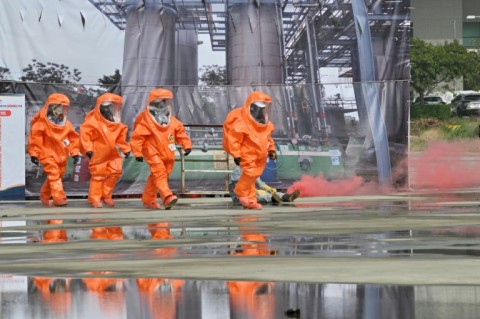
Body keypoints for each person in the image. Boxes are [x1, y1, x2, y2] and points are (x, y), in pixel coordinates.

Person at [130, 88, 192, 210]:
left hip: (168, 151)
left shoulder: (172, 121)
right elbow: (137, 137)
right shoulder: (146, 122)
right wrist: (137, 152)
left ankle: (148, 199)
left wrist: (187, 145)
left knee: (158, 176)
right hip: (151, 150)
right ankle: (167, 196)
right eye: (159, 103)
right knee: (159, 173)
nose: (162, 105)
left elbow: (180, 133)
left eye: (165, 102)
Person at [223, 91, 277, 209]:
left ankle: (251, 201)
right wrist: (236, 154)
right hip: (247, 152)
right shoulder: (241, 124)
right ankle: (241, 190)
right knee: (250, 172)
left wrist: (272, 150)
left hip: (261, 154)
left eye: (265, 108)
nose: (262, 111)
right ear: (252, 108)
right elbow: (234, 140)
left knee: (254, 176)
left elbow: (268, 139)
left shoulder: (266, 125)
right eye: (260, 108)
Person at [28, 93, 80, 206]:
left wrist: (75, 152)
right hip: (46, 154)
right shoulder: (41, 122)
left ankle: (45, 196)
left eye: (62, 107)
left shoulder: (67, 124)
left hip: (62, 154)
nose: (60, 110)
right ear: (50, 107)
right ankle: (59, 198)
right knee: (54, 174)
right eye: (57, 107)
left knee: (57, 176)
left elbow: (72, 139)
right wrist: (34, 154)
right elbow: (35, 139)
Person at [80, 93, 131, 208]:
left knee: (116, 172)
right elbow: (85, 136)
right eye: (107, 107)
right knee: (98, 176)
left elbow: (120, 139)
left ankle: (106, 195)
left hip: (113, 153)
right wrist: (88, 149)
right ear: (100, 107)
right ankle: (95, 198)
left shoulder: (117, 124)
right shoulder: (92, 122)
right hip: (98, 153)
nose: (109, 110)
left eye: (112, 107)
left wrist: (126, 149)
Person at [229, 166, 301, 205]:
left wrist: (269, 188)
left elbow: (260, 183)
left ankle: (286, 197)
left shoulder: (252, 169)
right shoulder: (238, 170)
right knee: (259, 197)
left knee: (269, 193)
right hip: (239, 196)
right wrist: (255, 191)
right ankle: (273, 199)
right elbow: (239, 187)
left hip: (251, 192)